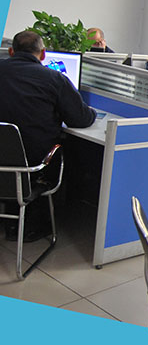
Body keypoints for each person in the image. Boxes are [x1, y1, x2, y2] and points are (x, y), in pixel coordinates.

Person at [0, 30, 97, 241]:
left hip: (3, 159)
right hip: (33, 163)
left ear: (11, 52)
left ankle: (11, 221)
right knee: (67, 151)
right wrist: (93, 112)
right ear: (43, 54)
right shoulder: (54, 78)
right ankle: (36, 225)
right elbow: (80, 119)